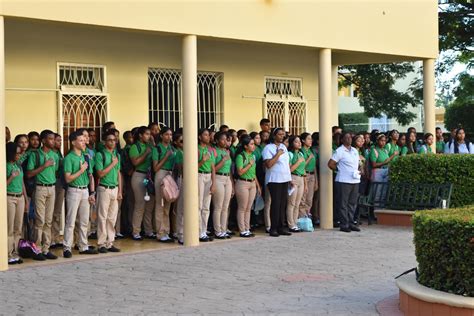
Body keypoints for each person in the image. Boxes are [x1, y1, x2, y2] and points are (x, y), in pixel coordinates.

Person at [63, 131, 98, 258]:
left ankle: (83, 245)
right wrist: (81, 170)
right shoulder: (69, 158)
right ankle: (67, 247)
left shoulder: (86, 156)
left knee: (84, 220)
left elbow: (90, 175)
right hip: (74, 190)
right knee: (71, 220)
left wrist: (92, 192)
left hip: (85, 190)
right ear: (73, 142)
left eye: (84, 140)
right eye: (81, 140)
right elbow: (68, 178)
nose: (84, 142)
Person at [26, 129, 60, 260]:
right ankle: (37, 249)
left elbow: (56, 171)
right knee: (40, 220)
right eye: (50, 139)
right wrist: (44, 166)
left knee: (49, 220)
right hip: (40, 188)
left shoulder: (55, 155)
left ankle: (46, 249)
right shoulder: (35, 155)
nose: (53, 141)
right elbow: (29, 173)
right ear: (44, 140)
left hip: (52, 188)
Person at [95, 130, 122, 253]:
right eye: (110, 140)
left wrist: (120, 190)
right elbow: (100, 173)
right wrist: (112, 163)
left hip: (114, 188)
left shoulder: (117, 155)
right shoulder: (100, 155)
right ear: (105, 142)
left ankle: (110, 242)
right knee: (102, 217)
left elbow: (118, 174)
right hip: (104, 188)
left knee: (112, 218)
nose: (113, 142)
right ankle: (101, 243)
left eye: (114, 140)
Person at [328, 132, 361, 233]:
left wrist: (359, 169)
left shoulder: (354, 150)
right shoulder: (339, 151)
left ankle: (351, 222)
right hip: (343, 180)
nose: (349, 139)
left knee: (352, 203)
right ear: (342, 140)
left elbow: (357, 163)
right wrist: (339, 169)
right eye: (346, 138)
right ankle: (344, 224)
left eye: (350, 137)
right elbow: (330, 164)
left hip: (355, 180)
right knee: (343, 203)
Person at [262, 128, 292, 237]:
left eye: (283, 135)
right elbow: (269, 164)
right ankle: (273, 228)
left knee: (283, 204)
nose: (282, 136)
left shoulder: (284, 147)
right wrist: (278, 154)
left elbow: (286, 164)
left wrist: (290, 179)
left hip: (284, 178)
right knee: (276, 203)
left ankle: (281, 227)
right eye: (279, 134)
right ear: (274, 136)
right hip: (274, 179)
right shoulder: (268, 148)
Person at [129, 126, 155, 241]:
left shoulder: (150, 145)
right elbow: (135, 162)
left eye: (150, 134)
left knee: (149, 204)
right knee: (140, 205)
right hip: (139, 175)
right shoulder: (135, 146)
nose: (148, 136)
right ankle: (136, 231)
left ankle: (148, 230)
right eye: (146, 134)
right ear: (140, 135)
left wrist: (153, 144)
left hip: (148, 177)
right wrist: (145, 153)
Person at [152, 127, 176, 243]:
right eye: (166, 134)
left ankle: (167, 231)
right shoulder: (157, 149)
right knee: (160, 205)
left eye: (170, 135)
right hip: (161, 174)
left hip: (170, 175)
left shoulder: (172, 148)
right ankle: (160, 233)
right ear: (161, 136)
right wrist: (166, 156)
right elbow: (155, 168)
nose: (169, 137)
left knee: (168, 206)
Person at [6, 142, 27, 264]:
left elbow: (22, 183)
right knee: (9, 227)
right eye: (17, 153)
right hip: (10, 197)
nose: (19, 155)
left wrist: (25, 200)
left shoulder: (19, 166)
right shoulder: (6, 166)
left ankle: (15, 253)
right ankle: (8, 255)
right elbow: (3, 185)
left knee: (18, 228)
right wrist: (11, 177)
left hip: (20, 198)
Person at [235, 135, 260, 237]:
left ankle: (247, 228)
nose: (253, 146)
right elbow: (240, 172)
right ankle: (242, 230)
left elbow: (254, 173)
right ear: (245, 146)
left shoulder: (252, 156)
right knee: (242, 207)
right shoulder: (241, 156)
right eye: (251, 144)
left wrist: (258, 185)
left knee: (249, 208)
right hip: (243, 183)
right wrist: (249, 164)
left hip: (252, 183)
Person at [211, 131, 233, 239]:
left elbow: (230, 169)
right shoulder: (214, 152)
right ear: (217, 140)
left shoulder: (227, 151)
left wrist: (231, 183)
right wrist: (223, 161)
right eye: (222, 139)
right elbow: (213, 169)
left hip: (227, 178)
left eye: (226, 139)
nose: (225, 142)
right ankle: (217, 230)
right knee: (218, 206)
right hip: (218, 178)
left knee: (225, 206)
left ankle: (224, 229)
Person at [197, 128, 216, 242]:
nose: (208, 137)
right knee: (198, 205)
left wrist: (213, 183)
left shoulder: (210, 150)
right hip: (199, 175)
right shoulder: (196, 149)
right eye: (205, 135)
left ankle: (204, 231)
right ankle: (198, 231)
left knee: (206, 207)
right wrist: (202, 161)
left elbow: (213, 168)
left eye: (209, 135)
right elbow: (192, 167)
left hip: (208, 176)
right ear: (199, 137)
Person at [286, 135, 306, 233]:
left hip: (301, 178)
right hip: (293, 177)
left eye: (299, 142)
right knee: (291, 203)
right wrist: (298, 162)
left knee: (297, 203)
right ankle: (291, 224)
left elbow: (304, 170)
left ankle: (295, 222)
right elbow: (289, 169)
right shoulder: (290, 154)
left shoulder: (301, 154)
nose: (299, 143)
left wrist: (305, 184)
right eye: (296, 142)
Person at [51, 134, 65, 249]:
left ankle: (56, 237)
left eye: (60, 140)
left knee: (57, 212)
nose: (59, 142)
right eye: (57, 140)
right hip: (53, 182)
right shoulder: (51, 154)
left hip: (60, 183)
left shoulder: (59, 153)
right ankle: (49, 239)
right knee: (49, 212)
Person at [173, 132, 185, 244]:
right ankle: (180, 233)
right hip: (182, 180)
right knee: (181, 208)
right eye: (181, 141)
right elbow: (181, 169)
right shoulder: (179, 153)